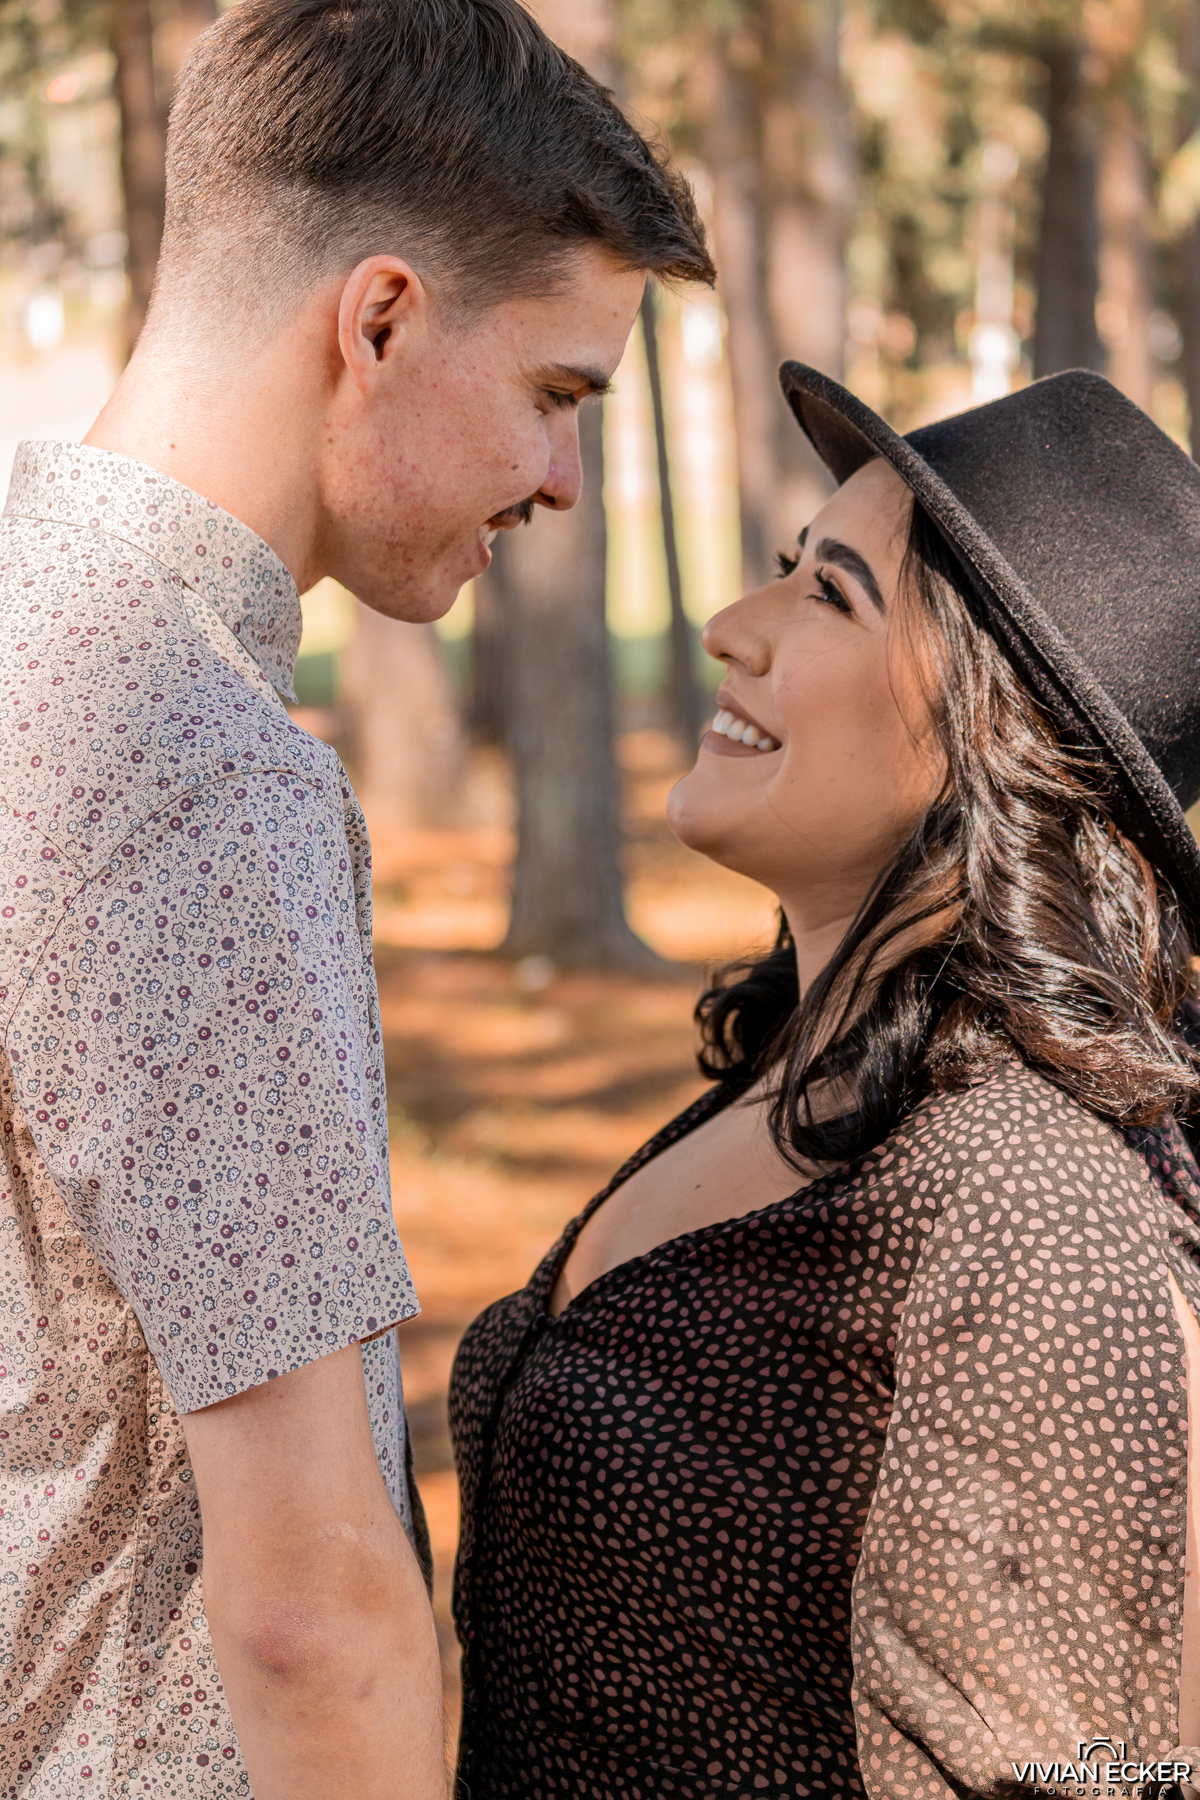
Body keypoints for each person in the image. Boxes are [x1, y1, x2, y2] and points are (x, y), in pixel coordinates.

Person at [0, 1, 712, 1795]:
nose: (563, 481)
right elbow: (315, 1611)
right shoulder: (191, 766)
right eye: (556, 397)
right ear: (378, 319)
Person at [449, 364, 1200, 1799]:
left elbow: (1080, 1778)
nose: (734, 626)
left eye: (830, 595)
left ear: (995, 737)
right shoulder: (807, 1067)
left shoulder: (1027, 1198)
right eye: (790, 566)